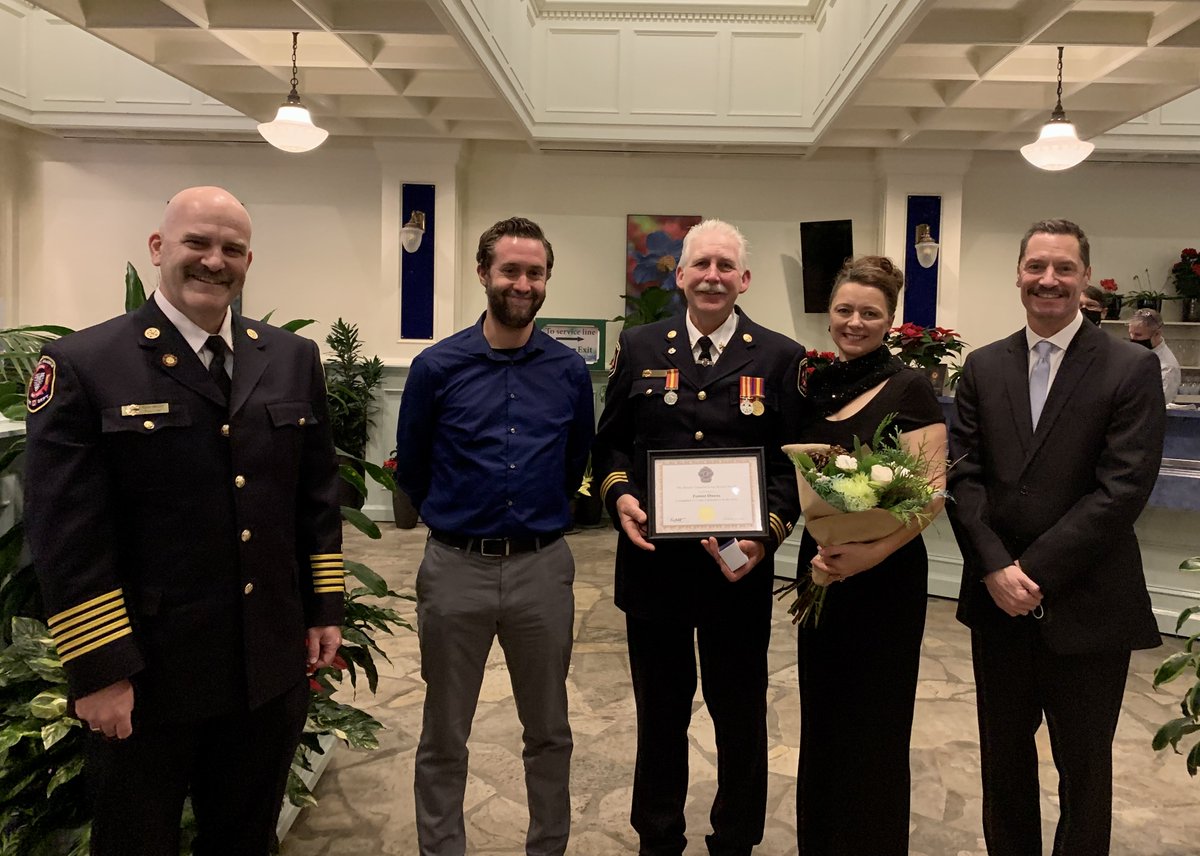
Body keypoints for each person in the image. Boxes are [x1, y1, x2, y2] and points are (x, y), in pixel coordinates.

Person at [23, 186, 344, 855]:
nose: (213, 260)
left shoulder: (289, 358)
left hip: (263, 670)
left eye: (231, 248)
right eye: (197, 242)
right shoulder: (86, 364)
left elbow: (314, 497)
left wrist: (323, 609)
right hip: (147, 677)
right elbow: (66, 534)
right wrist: (101, 670)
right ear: (158, 247)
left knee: (243, 839)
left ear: (248, 261)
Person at [948, 219, 1165, 856]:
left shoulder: (1129, 367)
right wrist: (994, 568)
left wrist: (1030, 570)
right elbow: (963, 476)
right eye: (1036, 267)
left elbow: (1123, 487)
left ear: (1083, 278)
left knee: (1085, 771)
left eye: (1063, 269)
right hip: (998, 607)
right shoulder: (984, 366)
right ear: (1018, 274)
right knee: (1004, 767)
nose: (1049, 280)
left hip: (1090, 605)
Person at [593, 219, 802, 856]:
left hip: (737, 570)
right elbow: (612, 445)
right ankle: (658, 838)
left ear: (743, 281)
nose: (712, 276)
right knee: (660, 716)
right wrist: (622, 495)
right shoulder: (640, 344)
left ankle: (735, 839)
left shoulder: (779, 355)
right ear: (680, 275)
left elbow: (792, 465)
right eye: (700, 264)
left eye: (725, 266)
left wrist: (765, 537)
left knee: (740, 717)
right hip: (654, 568)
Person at [394, 216, 594, 856]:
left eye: (535, 272)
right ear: (483, 274)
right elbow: (415, 466)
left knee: (550, 729)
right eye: (510, 270)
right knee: (445, 732)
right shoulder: (436, 367)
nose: (522, 283)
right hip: (455, 568)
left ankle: (548, 846)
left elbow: (574, 463)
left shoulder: (568, 371)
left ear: (546, 281)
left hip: (542, 569)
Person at [781, 256, 947, 855]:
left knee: (875, 723)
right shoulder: (816, 386)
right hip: (821, 567)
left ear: (890, 321)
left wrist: (872, 553)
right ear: (830, 315)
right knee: (822, 717)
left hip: (887, 576)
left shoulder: (909, 386)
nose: (855, 322)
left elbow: (928, 494)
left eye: (869, 313)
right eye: (845, 310)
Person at [1128, 307, 1182, 403]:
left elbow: (1159, 403)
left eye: (1138, 335)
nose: (1133, 338)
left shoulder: (1168, 367)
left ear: (1157, 334)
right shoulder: (1134, 354)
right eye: (1130, 333)